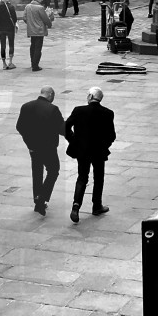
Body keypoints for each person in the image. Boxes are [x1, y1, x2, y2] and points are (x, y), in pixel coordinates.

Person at [64, 86, 116, 223]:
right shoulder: (108, 113)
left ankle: (76, 206)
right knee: (99, 178)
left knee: (82, 177)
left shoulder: (78, 110)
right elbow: (112, 135)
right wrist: (104, 145)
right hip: (99, 151)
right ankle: (96, 205)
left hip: (82, 151)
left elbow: (66, 127)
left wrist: (73, 141)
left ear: (90, 97)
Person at [16, 84, 66, 215]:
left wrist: (29, 143)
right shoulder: (53, 109)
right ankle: (41, 198)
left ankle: (37, 199)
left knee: (37, 172)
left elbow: (20, 127)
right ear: (50, 95)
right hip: (48, 147)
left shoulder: (26, 106)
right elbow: (62, 129)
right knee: (53, 171)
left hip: (33, 147)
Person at [23, 0, 54, 71]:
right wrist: (50, 19)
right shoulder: (40, 8)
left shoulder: (27, 6)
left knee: (33, 46)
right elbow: (45, 19)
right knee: (38, 48)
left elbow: (24, 18)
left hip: (31, 30)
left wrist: (30, 24)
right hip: (39, 30)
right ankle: (35, 65)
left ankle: (32, 62)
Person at [0, 0, 18, 69]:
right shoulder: (11, 7)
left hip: (1, 28)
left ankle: (4, 63)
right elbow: (14, 18)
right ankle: (10, 61)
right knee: (11, 44)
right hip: (10, 28)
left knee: (2, 45)